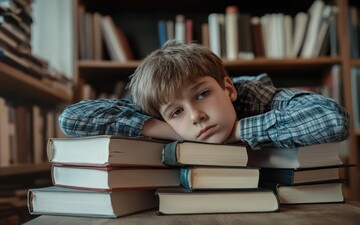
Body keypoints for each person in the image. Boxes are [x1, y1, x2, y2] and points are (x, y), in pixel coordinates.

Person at [59, 40, 349, 149]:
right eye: (177, 111)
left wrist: (238, 131)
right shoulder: (162, 109)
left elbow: (332, 119)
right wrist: (173, 130)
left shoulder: (257, 95)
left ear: (228, 88)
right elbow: (72, 120)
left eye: (202, 94)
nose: (196, 116)